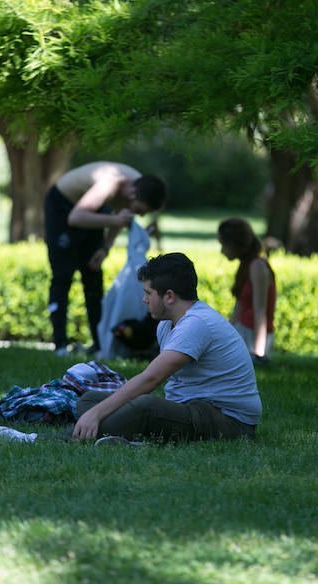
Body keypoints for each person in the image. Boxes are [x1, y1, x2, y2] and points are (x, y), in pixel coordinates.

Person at [71, 252, 262, 443]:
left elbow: (151, 378)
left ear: (169, 296)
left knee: (146, 406)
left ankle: (65, 437)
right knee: (90, 400)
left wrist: (96, 414)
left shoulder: (196, 324)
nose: (144, 299)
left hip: (229, 422)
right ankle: (125, 437)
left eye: (148, 293)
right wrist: (97, 409)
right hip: (191, 409)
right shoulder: (166, 324)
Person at [44, 161, 167, 356]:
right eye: (140, 210)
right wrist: (116, 221)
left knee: (93, 276)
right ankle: (60, 344)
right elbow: (75, 218)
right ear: (132, 193)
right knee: (62, 275)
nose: (139, 215)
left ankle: (98, 344)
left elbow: (123, 214)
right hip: (63, 206)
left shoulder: (139, 185)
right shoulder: (109, 183)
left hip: (92, 208)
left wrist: (105, 247)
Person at [217, 218, 276, 363]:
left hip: (252, 335)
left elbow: (260, 311)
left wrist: (258, 352)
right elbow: (239, 307)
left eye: (223, 244)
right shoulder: (246, 266)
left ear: (235, 244)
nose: (222, 250)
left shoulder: (257, 266)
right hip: (243, 331)